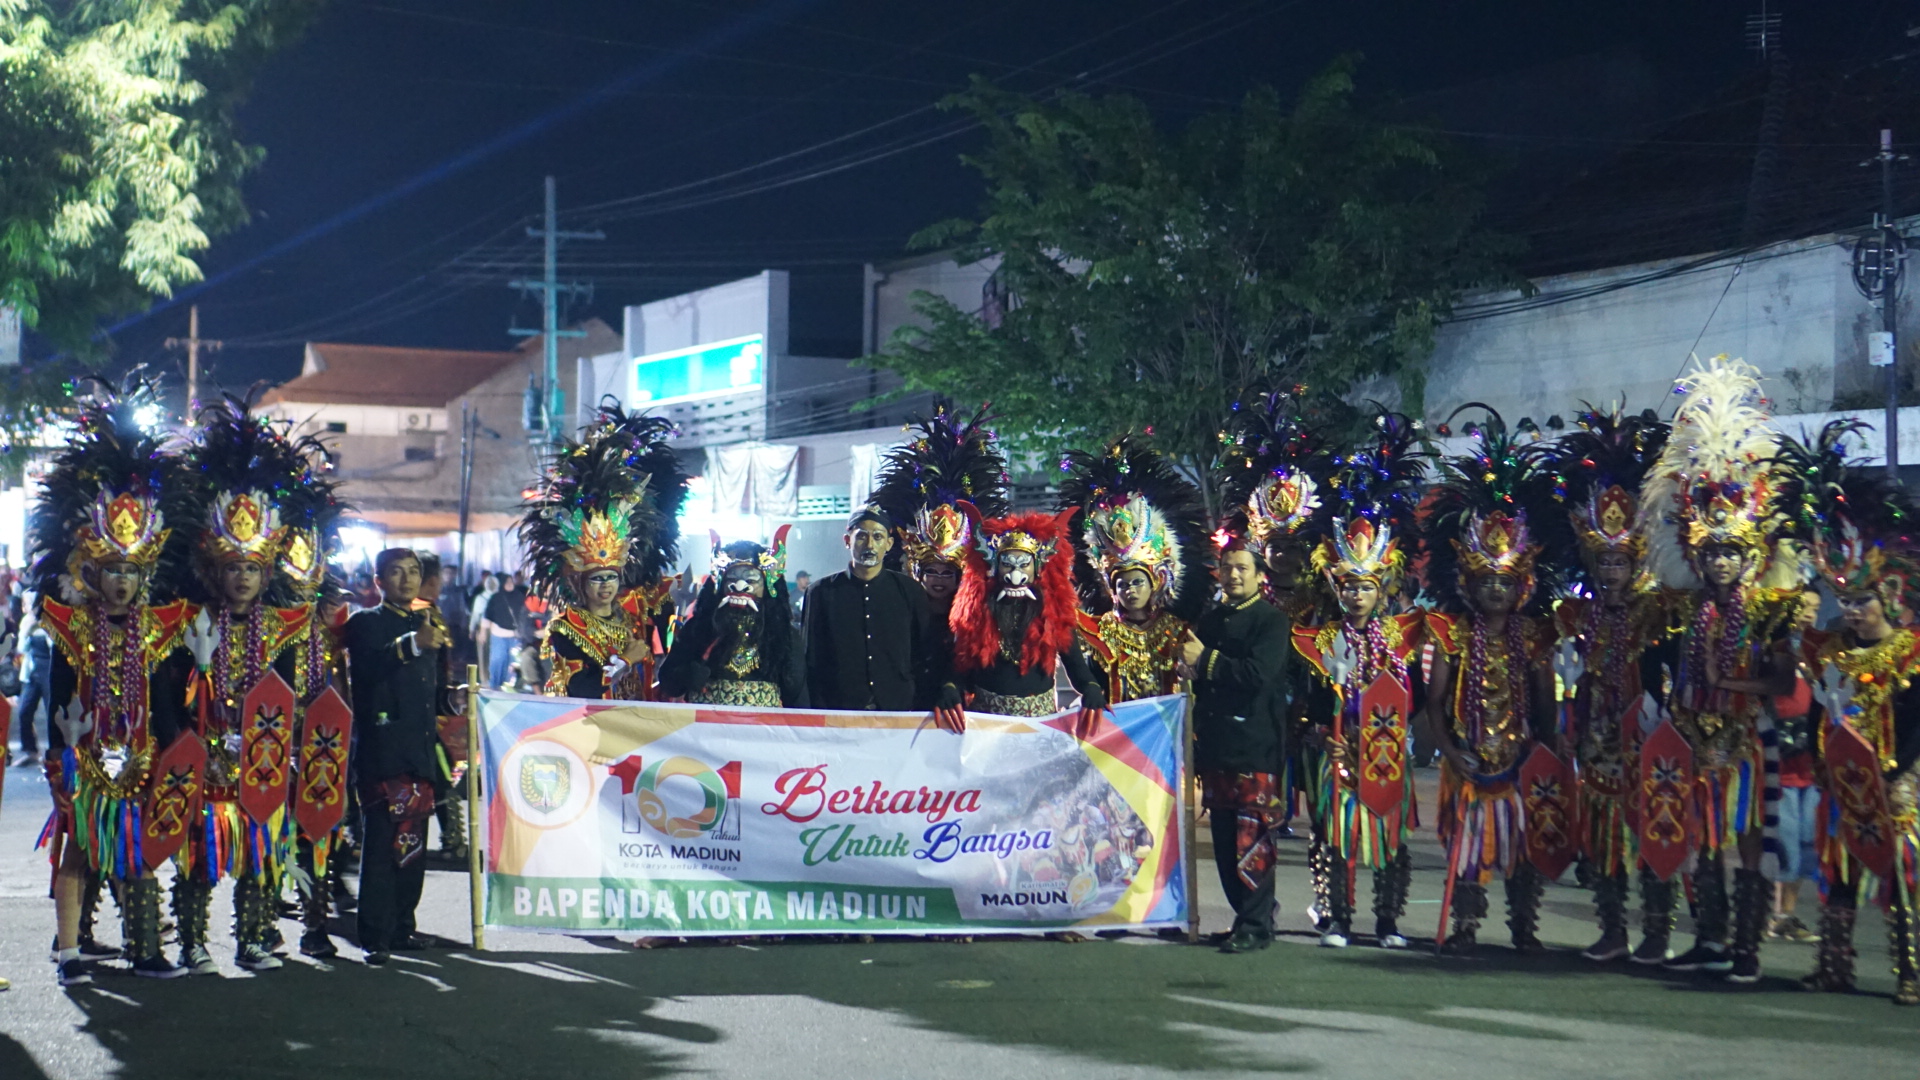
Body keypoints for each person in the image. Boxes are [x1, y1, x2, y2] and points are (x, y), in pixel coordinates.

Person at [1638, 356, 1799, 984]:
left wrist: (1730, 683)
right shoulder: (1684, 609)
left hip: (1743, 742)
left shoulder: (1767, 610)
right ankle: (1709, 938)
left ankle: (1749, 950)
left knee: (1748, 841)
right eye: (1713, 552)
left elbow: (1783, 683)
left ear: (1751, 553)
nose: (1724, 563)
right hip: (1692, 736)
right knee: (1699, 841)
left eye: (1733, 551)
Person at [167, 398, 342, 975]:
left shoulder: (285, 626)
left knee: (262, 852)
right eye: (231, 568)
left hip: (263, 760)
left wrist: (277, 741)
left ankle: (255, 939)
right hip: (205, 759)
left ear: (266, 573)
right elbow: (172, 698)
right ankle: (192, 942)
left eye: (251, 569)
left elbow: (296, 697)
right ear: (215, 570)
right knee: (199, 853)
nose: (241, 578)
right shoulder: (192, 621)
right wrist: (198, 677)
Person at [33, 379, 197, 985]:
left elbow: (169, 692)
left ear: (143, 575)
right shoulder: (71, 626)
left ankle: (145, 950)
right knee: (78, 851)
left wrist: (174, 737)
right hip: (83, 755)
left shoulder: (161, 627)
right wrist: (59, 748)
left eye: (131, 572)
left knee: (138, 854)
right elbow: (56, 693)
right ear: (92, 573)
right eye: (112, 572)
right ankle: (72, 954)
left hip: (141, 755)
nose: (122, 583)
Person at [1537, 405, 1678, 963]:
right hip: (1596, 746)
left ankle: (1659, 933)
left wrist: (1666, 719)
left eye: (1620, 561)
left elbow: (1672, 673)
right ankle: (1613, 929)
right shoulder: (1576, 616)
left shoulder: (1658, 614)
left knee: (1652, 841)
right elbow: (1569, 674)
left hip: (1646, 746)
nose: (1611, 571)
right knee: (1602, 846)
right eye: (1604, 561)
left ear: (1636, 559)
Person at [1285, 409, 1427, 951]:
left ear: (1382, 587)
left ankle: (1388, 922)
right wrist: (1319, 732)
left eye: (1366, 587)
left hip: (1388, 752)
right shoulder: (1318, 638)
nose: (1357, 595)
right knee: (1335, 838)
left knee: (1392, 838)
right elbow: (1309, 697)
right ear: (1338, 588)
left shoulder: (1402, 635)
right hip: (1338, 753)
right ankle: (1338, 919)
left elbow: (1412, 693)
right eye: (1349, 587)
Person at [1423, 416, 1560, 955]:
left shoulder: (1533, 637)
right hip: (1470, 760)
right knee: (1468, 849)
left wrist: (1542, 755)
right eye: (1488, 582)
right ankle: (1465, 927)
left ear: (1521, 585)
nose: (1497, 591)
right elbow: (1435, 702)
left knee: (1523, 849)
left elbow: (1547, 707)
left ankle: (1524, 928)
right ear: (1470, 584)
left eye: (1506, 582)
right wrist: (1453, 753)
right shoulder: (1452, 634)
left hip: (1520, 759)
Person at [521, 405, 688, 700]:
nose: (607, 585)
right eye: (598, 578)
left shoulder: (630, 618)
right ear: (579, 581)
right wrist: (625, 661)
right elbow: (580, 688)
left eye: (611, 576)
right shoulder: (567, 627)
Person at [1178, 532, 1291, 953]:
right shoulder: (1210, 620)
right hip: (1218, 747)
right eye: (1227, 567)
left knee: (1254, 837)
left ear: (1261, 575)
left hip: (1255, 746)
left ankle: (1257, 923)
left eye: (1243, 567)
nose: (1233, 574)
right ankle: (1246, 915)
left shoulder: (1271, 621)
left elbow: (1257, 674)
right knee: (1224, 842)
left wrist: (1204, 662)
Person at [341, 548, 452, 965]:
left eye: (413, 572)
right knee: (383, 846)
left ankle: (404, 926)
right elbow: (368, 669)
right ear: (378, 580)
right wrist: (412, 645)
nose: (406, 580)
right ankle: (374, 934)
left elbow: (435, 690)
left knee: (413, 845)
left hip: (420, 752)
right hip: (384, 753)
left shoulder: (429, 622)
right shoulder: (365, 623)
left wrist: (454, 701)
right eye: (396, 572)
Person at [1061, 435, 1210, 704]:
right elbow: (1090, 681)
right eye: (1123, 584)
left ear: (1156, 581)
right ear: (1111, 589)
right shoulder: (1098, 631)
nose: (1130, 590)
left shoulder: (1177, 630)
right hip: (1120, 736)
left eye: (1137, 582)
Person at [939, 506, 1105, 727]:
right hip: (985, 723)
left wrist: (1091, 689)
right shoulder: (976, 614)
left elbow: (1077, 669)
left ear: (1036, 570)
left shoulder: (1054, 616)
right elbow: (958, 668)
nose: (1015, 576)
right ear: (995, 570)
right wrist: (949, 688)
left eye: (1023, 565)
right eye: (1007, 565)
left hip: (1040, 724)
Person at [804, 508, 936, 711]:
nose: (870, 545)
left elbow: (925, 651)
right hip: (839, 707)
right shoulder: (821, 592)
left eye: (878, 537)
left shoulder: (910, 591)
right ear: (847, 541)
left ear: (889, 544)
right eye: (861, 536)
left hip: (898, 706)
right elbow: (812, 656)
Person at [659, 530, 805, 707]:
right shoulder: (698, 628)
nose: (739, 587)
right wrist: (688, 674)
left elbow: (796, 694)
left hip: (762, 731)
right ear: (720, 585)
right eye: (732, 579)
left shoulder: (784, 634)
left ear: (768, 587)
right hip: (704, 728)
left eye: (751, 581)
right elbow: (667, 682)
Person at [1767, 588, 1822, 943]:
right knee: (1782, 842)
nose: (1808, 614)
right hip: (1780, 766)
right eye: (1802, 607)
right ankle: (1771, 914)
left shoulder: (1823, 655)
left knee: (1806, 845)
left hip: (1813, 768)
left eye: (1814, 609)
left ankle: (1787, 913)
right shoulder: (1774, 651)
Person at [11, 588, 49, 767]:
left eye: (28, 603)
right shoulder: (26, 621)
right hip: (32, 672)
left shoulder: (50, 620)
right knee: (24, 710)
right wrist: (28, 631)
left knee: (53, 713)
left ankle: (56, 752)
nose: (25, 607)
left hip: (49, 669)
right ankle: (30, 750)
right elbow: (22, 648)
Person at [481, 571, 523, 689]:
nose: (510, 584)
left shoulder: (519, 596)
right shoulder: (495, 599)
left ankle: (510, 687)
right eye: (507, 582)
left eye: (511, 581)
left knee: (513, 662)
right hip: (499, 636)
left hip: (516, 637)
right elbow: (487, 616)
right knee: (498, 660)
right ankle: (495, 686)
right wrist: (483, 632)